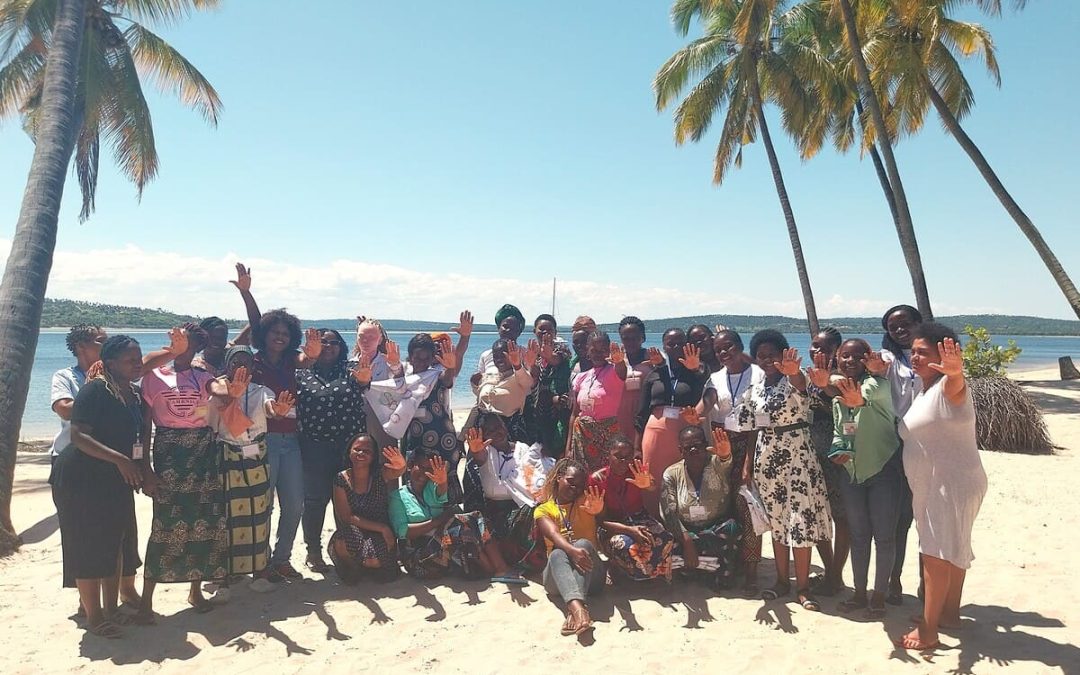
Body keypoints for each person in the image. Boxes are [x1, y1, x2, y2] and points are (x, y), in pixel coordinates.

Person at [896, 325, 987, 651]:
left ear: (943, 357)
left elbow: (957, 386)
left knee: (935, 554)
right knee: (952, 548)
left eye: (924, 351)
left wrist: (956, 373)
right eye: (914, 350)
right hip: (940, 482)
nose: (915, 356)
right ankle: (948, 614)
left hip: (948, 484)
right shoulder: (924, 390)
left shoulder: (949, 388)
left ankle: (929, 629)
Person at [49, 335, 145, 638]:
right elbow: (78, 436)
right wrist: (120, 460)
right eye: (131, 360)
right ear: (111, 363)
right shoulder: (95, 390)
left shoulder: (134, 395)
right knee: (87, 546)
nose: (138, 365)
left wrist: (143, 468)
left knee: (114, 544)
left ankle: (111, 607)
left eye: (139, 359)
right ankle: (94, 616)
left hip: (115, 476)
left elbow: (139, 440)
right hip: (80, 476)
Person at [232, 262, 322, 581]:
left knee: (295, 504)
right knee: (263, 506)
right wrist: (247, 294)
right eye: (275, 332)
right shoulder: (252, 363)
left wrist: (312, 353)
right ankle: (262, 561)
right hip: (261, 442)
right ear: (264, 335)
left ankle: (282, 558)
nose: (280, 337)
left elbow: (306, 359)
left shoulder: (290, 361)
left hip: (290, 442)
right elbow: (256, 322)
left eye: (285, 334)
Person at [137, 323, 230, 623]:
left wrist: (225, 391)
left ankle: (195, 590)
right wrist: (144, 466)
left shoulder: (203, 375)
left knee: (204, 521)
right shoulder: (153, 376)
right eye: (175, 340)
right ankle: (146, 601)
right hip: (168, 452)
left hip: (203, 453)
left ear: (196, 348)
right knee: (165, 523)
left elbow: (218, 391)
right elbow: (144, 424)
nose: (179, 345)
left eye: (185, 342)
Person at [747, 330, 832, 611]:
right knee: (778, 522)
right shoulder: (756, 387)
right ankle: (782, 581)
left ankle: (804, 588)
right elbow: (748, 423)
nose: (767, 360)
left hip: (797, 456)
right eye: (761, 355)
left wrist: (794, 372)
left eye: (772, 354)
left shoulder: (797, 379)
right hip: (767, 457)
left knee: (801, 520)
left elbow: (802, 388)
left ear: (783, 354)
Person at [826, 339, 903, 619]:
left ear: (867, 359)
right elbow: (841, 431)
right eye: (844, 356)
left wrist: (857, 400)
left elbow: (865, 397)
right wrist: (837, 450)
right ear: (837, 359)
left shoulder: (879, 385)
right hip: (852, 473)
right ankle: (860, 593)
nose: (850, 361)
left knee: (884, 537)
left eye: (857, 356)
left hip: (883, 470)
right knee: (859, 537)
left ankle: (879, 595)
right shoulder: (837, 397)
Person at [295, 328, 370, 573]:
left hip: (348, 449)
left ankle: (346, 549)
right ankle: (313, 551)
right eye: (322, 342)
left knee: (347, 502)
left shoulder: (350, 370)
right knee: (315, 501)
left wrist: (364, 378)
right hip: (314, 447)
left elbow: (365, 380)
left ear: (342, 347)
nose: (328, 347)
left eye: (334, 343)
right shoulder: (301, 372)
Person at [207, 346, 280, 587]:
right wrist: (230, 398)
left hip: (257, 456)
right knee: (229, 516)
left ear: (252, 368)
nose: (241, 367)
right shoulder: (216, 393)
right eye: (235, 362)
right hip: (227, 456)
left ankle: (259, 570)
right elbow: (212, 427)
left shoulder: (261, 391)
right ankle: (226, 574)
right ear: (227, 366)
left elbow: (271, 407)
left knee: (260, 514)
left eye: (246, 363)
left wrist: (277, 411)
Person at [868, 304, 925, 604]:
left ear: (919, 323)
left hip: (930, 447)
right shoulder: (887, 359)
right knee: (899, 519)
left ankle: (926, 586)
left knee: (927, 520)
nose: (899, 329)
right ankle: (894, 581)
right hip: (896, 445)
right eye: (893, 326)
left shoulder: (932, 358)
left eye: (905, 323)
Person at [701, 328, 764, 593]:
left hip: (750, 445)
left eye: (729, 347)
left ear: (740, 347)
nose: (724, 353)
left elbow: (757, 426)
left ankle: (751, 573)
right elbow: (704, 405)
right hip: (721, 447)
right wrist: (693, 416)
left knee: (749, 510)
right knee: (723, 509)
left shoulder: (758, 375)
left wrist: (748, 462)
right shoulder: (715, 378)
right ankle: (729, 565)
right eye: (719, 350)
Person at [389, 451, 516, 581]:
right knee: (460, 525)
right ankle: (496, 569)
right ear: (410, 465)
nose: (424, 473)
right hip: (418, 557)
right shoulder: (397, 497)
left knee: (476, 518)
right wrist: (439, 520)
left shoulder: (430, 489)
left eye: (429, 469)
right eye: (421, 467)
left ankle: (498, 568)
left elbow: (441, 492)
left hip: (443, 546)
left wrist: (443, 481)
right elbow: (404, 532)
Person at [462, 415, 552, 570]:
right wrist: (476, 451)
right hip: (499, 514)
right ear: (484, 435)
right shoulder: (486, 451)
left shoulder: (522, 448)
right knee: (532, 511)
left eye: (498, 427)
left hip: (526, 505)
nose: (496, 432)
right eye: (490, 431)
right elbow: (480, 457)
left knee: (543, 509)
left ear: (505, 427)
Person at [636, 328, 706, 516]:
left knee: (687, 478)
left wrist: (695, 370)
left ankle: (685, 524)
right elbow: (641, 412)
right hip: (655, 434)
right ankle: (656, 524)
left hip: (686, 433)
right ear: (663, 346)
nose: (675, 347)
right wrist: (636, 446)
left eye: (680, 343)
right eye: (670, 344)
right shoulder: (655, 374)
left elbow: (707, 394)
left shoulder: (698, 370)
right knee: (653, 480)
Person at [534, 458, 606, 637]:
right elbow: (553, 534)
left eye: (579, 486)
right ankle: (579, 609)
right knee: (559, 552)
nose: (574, 489)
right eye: (570, 482)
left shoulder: (587, 501)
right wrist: (572, 551)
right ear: (559, 478)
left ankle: (575, 610)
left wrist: (599, 512)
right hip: (556, 578)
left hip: (592, 576)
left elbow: (604, 519)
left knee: (583, 545)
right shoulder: (544, 509)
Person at [660, 427, 739, 589]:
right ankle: (694, 567)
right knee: (668, 543)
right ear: (681, 450)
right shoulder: (671, 473)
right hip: (686, 532)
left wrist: (724, 454)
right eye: (688, 447)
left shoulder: (716, 464)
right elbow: (669, 512)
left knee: (731, 529)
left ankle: (720, 574)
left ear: (706, 445)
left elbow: (725, 461)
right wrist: (687, 541)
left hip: (715, 529)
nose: (693, 449)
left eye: (697, 444)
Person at [400, 323, 472, 503]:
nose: (422, 362)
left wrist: (465, 337)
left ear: (432, 357)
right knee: (415, 478)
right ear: (410, 356)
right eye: (417, 357)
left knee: (444, 478)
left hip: (442, 439)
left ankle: (447, 523)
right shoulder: (403, 374)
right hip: (415, 438)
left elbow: (449, 377)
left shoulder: (437, 374)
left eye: (426, 358)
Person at [591, 435, 675, 582]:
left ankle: (648, 572)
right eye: (618, 456)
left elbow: (651, 484)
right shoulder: (597, 479)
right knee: (627, 546)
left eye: (627, 457)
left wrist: (647, 485)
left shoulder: (636, 471)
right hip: (612, 526)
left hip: (639, 518)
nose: (623, 461)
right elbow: (601, 521)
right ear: (608, 455)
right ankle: (621, 568)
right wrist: (630, 531)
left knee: (664, 538)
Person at [805, 327, 850, 596]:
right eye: (814, 345)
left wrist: (826, 386)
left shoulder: (839, 378)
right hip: (812, 455)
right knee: (819, 517)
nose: (817, 351)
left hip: (835, 457)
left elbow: (842, 400)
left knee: (840, 517)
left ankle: (835, 574)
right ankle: (830, 571)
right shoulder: (809, 378)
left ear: (836, 351)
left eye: (824, 347)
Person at [327, 434, 407, 583]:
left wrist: (401, 465)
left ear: (373, 456)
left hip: (378, 533)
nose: (361, 453)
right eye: (357, 449)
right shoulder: (341, 479)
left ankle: (368, 565)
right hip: (356, 530)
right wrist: (382, 527)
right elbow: (346, 517)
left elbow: (397, 471)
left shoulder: (380, 474)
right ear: (349, 452)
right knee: (342, 543)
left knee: (373, 561)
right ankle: (355, 569)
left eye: (367, 451)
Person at [566, 331, 627, 473]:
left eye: (603, 350)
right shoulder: (581, 377)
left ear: (609, 350)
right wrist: (568, 447)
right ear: (587, 350)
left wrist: (619, 361)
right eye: (594, 350)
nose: (598, 354)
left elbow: (622, 370)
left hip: (607, 440)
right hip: (581, 439)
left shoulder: (614, 372)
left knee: (605, 480)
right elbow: (574, 414)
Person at [471, 338, 538, 442]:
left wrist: (517, 365)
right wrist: (474, 384)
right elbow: (479, 397)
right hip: (483, 431)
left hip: (508, 432)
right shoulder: (488, 375)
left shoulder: (520, 376)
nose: (499, 359)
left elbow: (529, 383)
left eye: (503, 355)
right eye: (495, 356)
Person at [526, 314, 572, 457]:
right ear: (534, 331)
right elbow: (532, 379)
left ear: (555, 332)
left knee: (555, 452)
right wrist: (532, 363)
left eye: (549, 330)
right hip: (535, 410)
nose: (545, 333)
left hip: (556, 411)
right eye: (541, 330)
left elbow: (556, 360)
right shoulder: (532, 351)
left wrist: (548, 355)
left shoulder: (562, 348)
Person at [615, 316, 654, 441]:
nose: (630, 342)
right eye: (626, 338)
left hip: (646, 415)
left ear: (643, 338)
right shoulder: (616, 360)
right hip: (621, 417)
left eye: (634, 338)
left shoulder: (653, 358)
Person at [476, 304, 525, 375]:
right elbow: (479, 383)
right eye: (505, 326)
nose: (509, 330)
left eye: (514, 328)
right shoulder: (486, 356)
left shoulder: (526, 354)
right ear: (498, 328)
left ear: (519, 332)